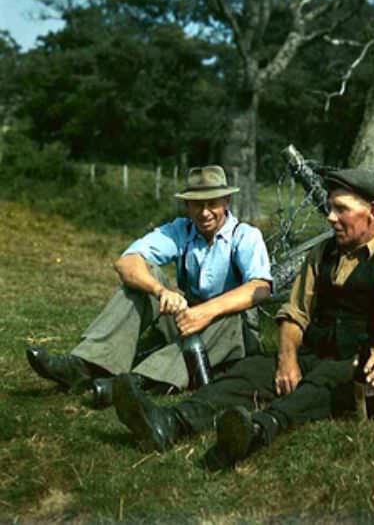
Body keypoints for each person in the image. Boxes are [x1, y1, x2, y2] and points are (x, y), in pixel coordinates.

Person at [111, 167, 374, 467]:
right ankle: (171, 422)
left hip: (360, 364)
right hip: (313, 352)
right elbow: (294, 313)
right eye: (330, 208)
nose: (330, 217)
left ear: (371, 211)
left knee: (324, 382)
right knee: (250, 371)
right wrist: (287, 359)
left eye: (341, 209)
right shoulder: (323, 254)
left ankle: (257, 431)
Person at [26, 165, 272, 407]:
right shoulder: (181, 230)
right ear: (187, 205)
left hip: (231, 333)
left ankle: (134, 382)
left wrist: (206, 313)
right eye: (197, 204)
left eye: (212, 203)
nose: (205, 212)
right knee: (145, 277)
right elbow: (126, 262)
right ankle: (86, 364)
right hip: (189, 322)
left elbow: (260, 287)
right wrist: (161, 291)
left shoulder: (245, 236)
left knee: (229, 316)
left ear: (227, 201)